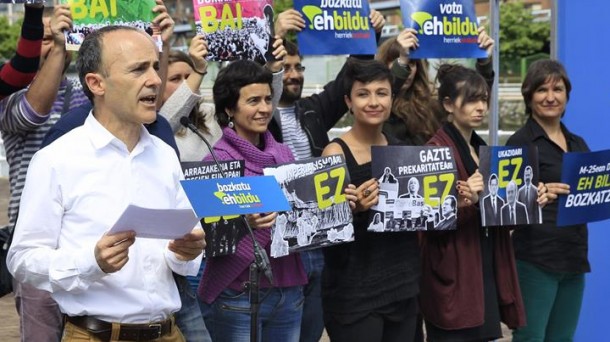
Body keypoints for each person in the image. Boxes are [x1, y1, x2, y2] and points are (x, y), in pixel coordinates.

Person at [7, 25, 205, 342]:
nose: (155, 79)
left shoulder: (165, 155)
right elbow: (22, 260)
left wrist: (185, 251)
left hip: (168, 331)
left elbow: (180, 254)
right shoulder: (57, 159)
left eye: (155, 66)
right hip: (95, 335)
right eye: (139, 69)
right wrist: (91, 262)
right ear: (96, 83)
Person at [272, 9, 386, 342]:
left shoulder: (312, 110)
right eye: (285, 67)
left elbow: (346, 79)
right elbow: (250, 74)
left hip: (322, 244)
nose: (293, 74)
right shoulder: (257, 118)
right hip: (282, 245)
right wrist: (273, 38)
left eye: (298, 67)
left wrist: (368, 37)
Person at [420, 64, 547, 341]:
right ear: (448, 104)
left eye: (484, 100)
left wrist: (530, 198)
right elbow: (428, 223)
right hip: (454, 277)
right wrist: (467, 202)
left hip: (483, 268)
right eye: (471, 100)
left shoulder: (481, 150)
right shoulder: (434, 151)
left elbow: (497, 214)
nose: (480, 107)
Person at [198, 57, 310, 341]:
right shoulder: (215, 161)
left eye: (268, 99)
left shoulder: (285, 155)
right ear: (229, 109)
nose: (264, 109)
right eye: (253, 101)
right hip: (238, 292)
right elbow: (207, 237)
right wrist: (242, 222)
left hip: (289, 288)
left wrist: (331, 202)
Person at [321, 58, 420, 342]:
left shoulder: (402, 151)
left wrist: (450, 203)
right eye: (363, 94)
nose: (373, 102)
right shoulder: (335, 153)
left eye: (382, 93)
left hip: (403, 283)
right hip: (354, 292)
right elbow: (325, 232)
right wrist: (356, 211)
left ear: (392, 98)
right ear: (348, 102)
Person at [507, 59, 590, 342]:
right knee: (531, 338)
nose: (551, 97)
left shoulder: (578, 144)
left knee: (563, 338)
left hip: (574, 258)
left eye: (558, 89)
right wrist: (533, 195)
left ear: (567, 95)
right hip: (535, 259)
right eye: (542, 90)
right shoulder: (519, 143)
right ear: (529, 96)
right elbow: (504, 208)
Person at [377, 26, 494, 145]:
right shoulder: (375, 107)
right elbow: (386, 92)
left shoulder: (430, 106)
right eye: (398, 61)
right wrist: (402, 61)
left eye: (412, 63)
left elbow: (473, 93)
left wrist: (484, 61)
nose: (408, 68)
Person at [158, 36, 222, 161]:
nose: (185, 84)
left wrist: (272, 69)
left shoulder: (211, 113)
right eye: (175, 79)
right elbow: (167, 119)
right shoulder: (153, 125)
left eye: (189, 77)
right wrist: (198, 71)